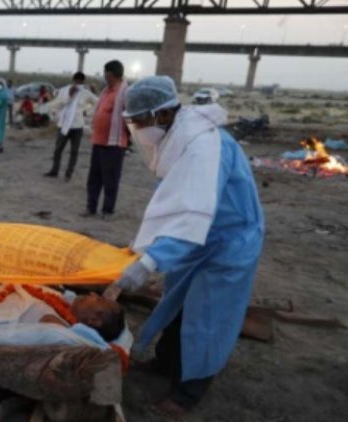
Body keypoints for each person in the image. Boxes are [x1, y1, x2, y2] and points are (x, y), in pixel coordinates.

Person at [112, 75, 264, 417]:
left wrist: (150, 261)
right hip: (199, 238)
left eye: (138, 121)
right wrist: (146, 248)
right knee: (178, 304)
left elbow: (194, 213)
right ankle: (167, 363)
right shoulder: (181, 136)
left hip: (227, 241)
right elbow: (177, 204)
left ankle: (190, 390)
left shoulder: (202, 147)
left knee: (208, 316)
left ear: (162, 115)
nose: (135, 129)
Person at [84, 60, 130, 217]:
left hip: (114, 144)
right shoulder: (105, 91)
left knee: (110, 179)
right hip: (98, 141)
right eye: (105, 74)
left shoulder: (125, 92)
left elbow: (130, 116)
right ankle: (91, 207)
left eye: (108, 74)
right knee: (94, 178)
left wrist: (128, 140)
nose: (105, 77)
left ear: (116, 75)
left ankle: (107, 210)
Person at [44, 72, 99, 181]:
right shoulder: (64, 90)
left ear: (83, 82)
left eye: (80, 82)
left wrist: (88, 112)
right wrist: (69, 95)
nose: (78, 84)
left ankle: (69, 173)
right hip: (63, 125)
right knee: (58, 149)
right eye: (76, 81)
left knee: (74, 151)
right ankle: (54, 170)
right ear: (73, 80)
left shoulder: (86, 93)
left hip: (77, 126)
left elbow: (98, 103)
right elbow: (59, 104)